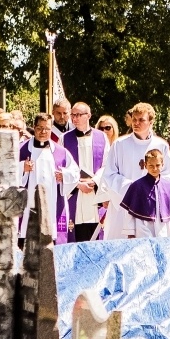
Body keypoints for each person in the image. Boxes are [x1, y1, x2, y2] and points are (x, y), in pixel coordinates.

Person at [102, 102, 170, 240]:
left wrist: (149, 190)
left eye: (141, 120)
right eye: (134, 119)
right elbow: (109, 175)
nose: (136, 123)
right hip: (124, 205)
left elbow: (168, 177)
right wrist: (134, 188)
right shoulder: (119, 145)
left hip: (152, 206)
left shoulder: (161, 146)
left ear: (151, 121)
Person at [19, 113, 80, 244]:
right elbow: (7, 172)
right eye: (39, 128)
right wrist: (22, 168)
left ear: (51, 129)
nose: (43, 132)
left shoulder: (61, 152)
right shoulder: (21, 150)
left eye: (46, 128)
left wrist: (64, 175)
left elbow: (75, 173)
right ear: (34, 128)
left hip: (53, 205)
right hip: (27, 205)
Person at [63, 102, 110, 242]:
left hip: (95, 193)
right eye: (73, 115)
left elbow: (107, 165)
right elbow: (61, 166)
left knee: (95, 238)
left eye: (78, 115)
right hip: (75, 193)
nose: (74, 118)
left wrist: (94, 181)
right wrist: (77, 184)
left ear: (88, 115)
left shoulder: (102, 138)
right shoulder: (64, 139)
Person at [121, 149, 170, 238]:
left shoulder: (168, 186)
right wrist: (130, 232)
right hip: (143, 227)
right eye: (151, 166)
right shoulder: (137, 186)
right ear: (145, 165)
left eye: (157, 165)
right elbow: (130, 212)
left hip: (163, 228)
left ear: (162, 165)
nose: (154, 169)